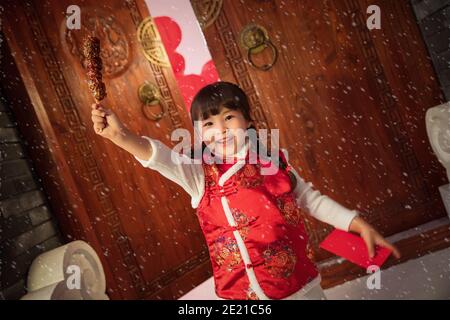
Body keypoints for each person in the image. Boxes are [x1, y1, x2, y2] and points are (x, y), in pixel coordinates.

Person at [90, 81, 401, 300]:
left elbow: (309, 198)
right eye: (209, 124)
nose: (221, 130)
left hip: (300, 283)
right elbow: (158, 157)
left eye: (229, 118)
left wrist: (356, 223)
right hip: (244, 294)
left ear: (248, 122)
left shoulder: (274, 162)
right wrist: (122, 136)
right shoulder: (200, 174)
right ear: (198, 133)